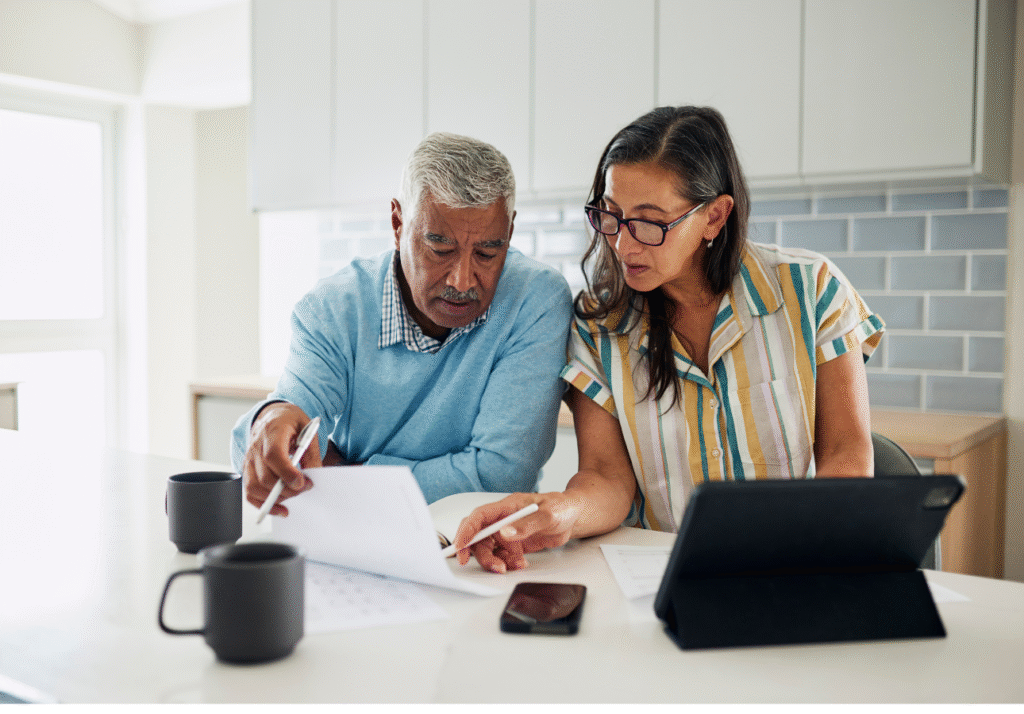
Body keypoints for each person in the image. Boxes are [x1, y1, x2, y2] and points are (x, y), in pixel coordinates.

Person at [450, 106, 885, 573]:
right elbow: (606, 478)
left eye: (649, 222)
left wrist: (809, 543)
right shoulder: (598, 326)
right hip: (659, 573)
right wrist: (556, 512)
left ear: (714, 217)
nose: (623, 245)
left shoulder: (812, 290)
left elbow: (846, 454)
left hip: (789, 565)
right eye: (611, 216)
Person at [232, 132, 573, 514]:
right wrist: (273, 418)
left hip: (482, 543)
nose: (462, 280)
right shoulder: (333, 308)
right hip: (351, 535)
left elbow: (498, 478)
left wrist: (345, 473)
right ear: (397, 223)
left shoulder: (536, 300)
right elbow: (281, 432)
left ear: (509, 233)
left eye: (487, 252)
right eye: (440, 249)